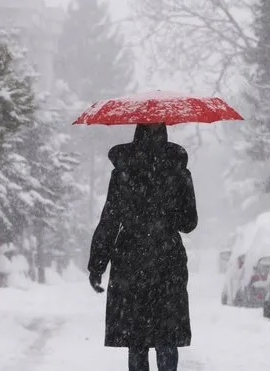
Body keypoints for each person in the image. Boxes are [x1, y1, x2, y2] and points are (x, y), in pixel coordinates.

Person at [88, 123, 198, 371]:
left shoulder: (123, 172)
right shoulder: (178, 172)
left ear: (136, 134)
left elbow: (110, 220)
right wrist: (167, 213)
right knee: (166, 336)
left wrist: (97, 266)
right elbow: (189, 223)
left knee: (136, 339)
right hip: (167, 259)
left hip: (130, 260)